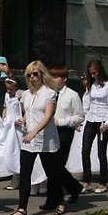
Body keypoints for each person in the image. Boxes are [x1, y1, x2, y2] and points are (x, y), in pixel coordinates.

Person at [6, 61, 64, 215]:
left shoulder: (50, 92)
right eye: (29, 74)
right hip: (29, 139)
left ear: (42, 74)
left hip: (46, 139)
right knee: (25, 173)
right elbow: (31, 113)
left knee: (52, 172)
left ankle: (59, 201)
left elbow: (47, 116)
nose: (32, 77)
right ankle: (22, 209)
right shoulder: (26, 94)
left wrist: (34, 132)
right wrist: (23, 120)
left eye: (35, 74)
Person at [41, 66, 83, 206]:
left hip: (64, 132)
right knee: (50, 166)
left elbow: (79, 117)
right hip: (49, 132)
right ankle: (74, 187)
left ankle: (53, 200)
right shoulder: (47, 93)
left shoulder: (72, 95)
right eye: (51, 76)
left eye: (56, 77)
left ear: (64, 79)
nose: (52, 79)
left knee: (57, 165)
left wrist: (62, 122)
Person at [81, 59, 108, 194]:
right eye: (91, 73)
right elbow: (87, 104)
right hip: (91, 120)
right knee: (85, 150)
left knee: (101, 153)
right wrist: (82, 119)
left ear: (100, 70)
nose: (93, 75)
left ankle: (103, 181)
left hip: (103, 121)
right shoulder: (91, 85)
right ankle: (86, 181)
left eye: (95, 72)